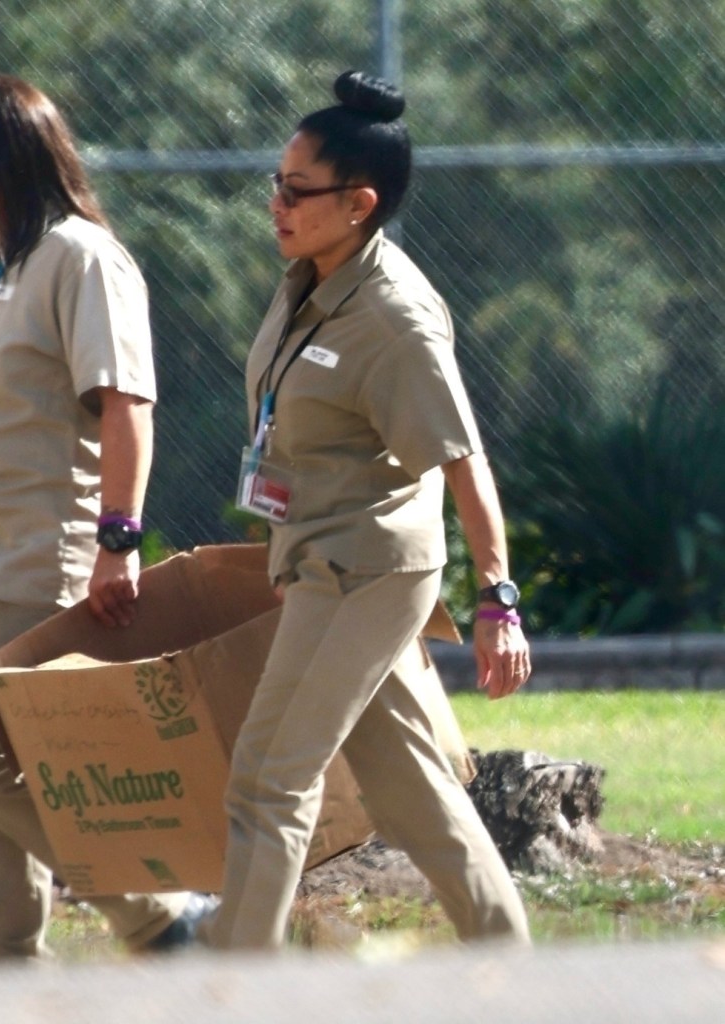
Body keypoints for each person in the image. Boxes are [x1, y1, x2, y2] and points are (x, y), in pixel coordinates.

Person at [205, 70, 532, 951]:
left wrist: (499, 600)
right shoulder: (313, 272)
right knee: (409, 789)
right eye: (274, 183)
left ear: (359, 203)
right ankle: (511, 960)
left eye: (296, 191)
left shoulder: (396, 318)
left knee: (269, 781)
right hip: (318, 559)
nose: (276, 203)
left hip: (368, 572)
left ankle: (226, 986)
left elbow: (463, 463)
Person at [0, 73, 212, 958]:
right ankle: (11, 957)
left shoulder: (82, 258)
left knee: (19, 765)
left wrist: (117, 543)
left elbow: (126, 407)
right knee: (9, 771)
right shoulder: (4, 267)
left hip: (41, 559)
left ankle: (158, 918)